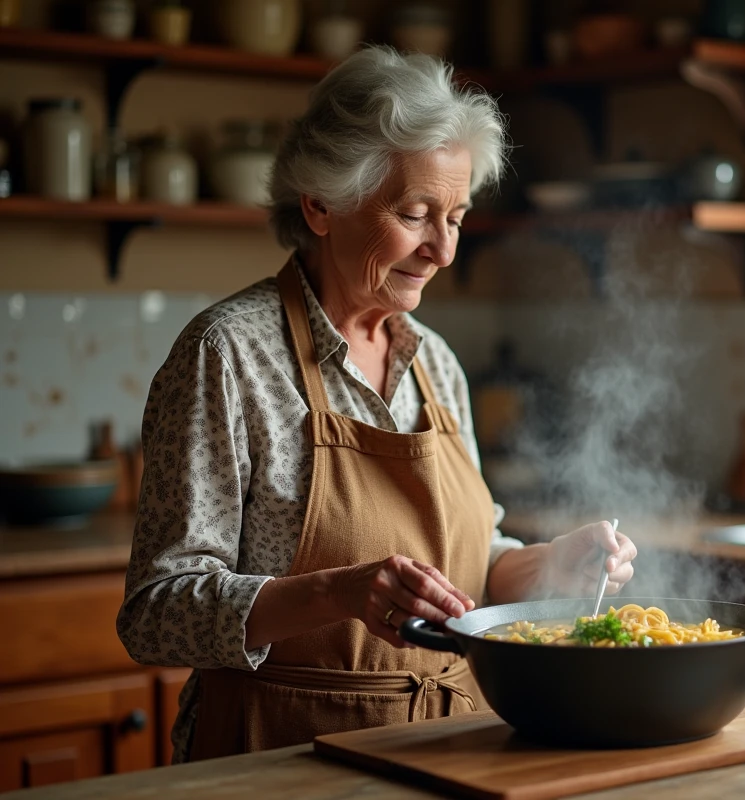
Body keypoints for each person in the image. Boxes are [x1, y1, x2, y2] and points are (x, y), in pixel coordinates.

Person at [117, 46, 637, 762]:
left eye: (455, 217)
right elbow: (156, 613)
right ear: (321, 204)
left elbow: (470, 570)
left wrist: (553, 565)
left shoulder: (438, 366)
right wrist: (338, 594)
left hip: (451, 750)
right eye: (417, 213)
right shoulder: (228, 355)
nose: (443, 251)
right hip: (282, 760)